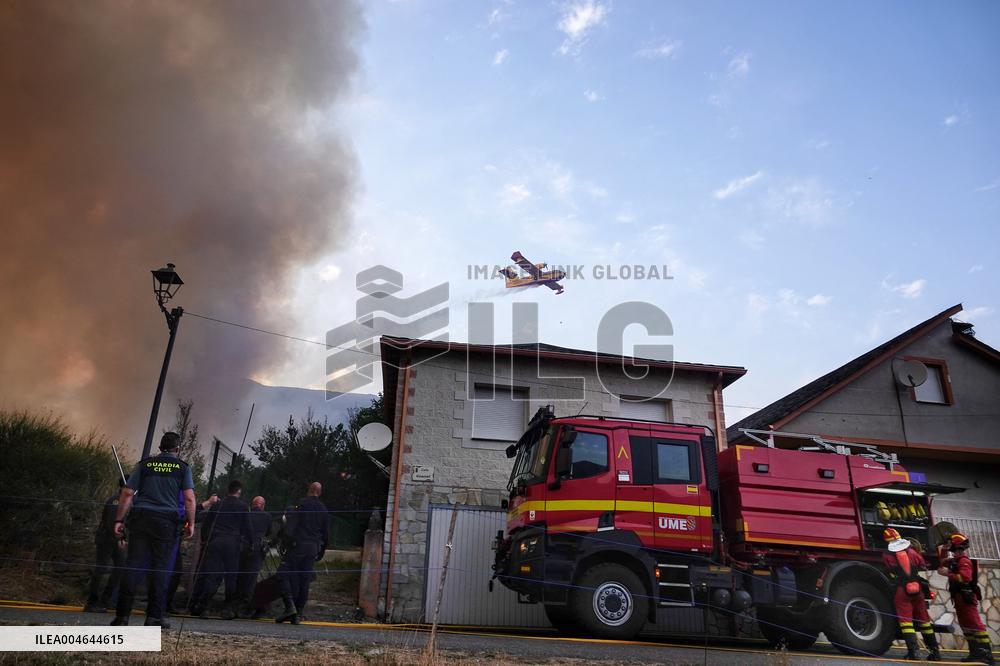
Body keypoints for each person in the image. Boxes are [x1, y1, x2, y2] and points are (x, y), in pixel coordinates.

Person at [110, 432, 196, 628]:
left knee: (133, 565)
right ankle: (154, 617)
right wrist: (190, 523)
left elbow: (128, 493)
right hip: (166, 523)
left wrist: (119, 520)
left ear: (159, 448)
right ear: (177, 449)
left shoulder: (145, 464)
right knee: (159, 569)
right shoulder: (183, 468)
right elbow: (190, 498)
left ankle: (122, 617)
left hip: (141, 520)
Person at [189, 481, 251, 619]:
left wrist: (206, 540)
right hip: (232, 543)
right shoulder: (243, 507)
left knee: (211, 575)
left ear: (228, 490)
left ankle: (204, 607)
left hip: (216, 541)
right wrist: (249, 544)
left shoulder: (218, 505)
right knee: (231, 577)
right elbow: (247, 528)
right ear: (239, 492)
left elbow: (207, 524)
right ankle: (228, 609)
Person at [881, 528, 940, 661]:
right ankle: (935, 653)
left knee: (906, 623)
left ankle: (914, 653)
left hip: (902, 591)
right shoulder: (912, 552)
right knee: (924, 621)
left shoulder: (887, 555)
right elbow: (923, 565)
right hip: (918, 589)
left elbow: (889, 570)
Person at [275, 482, 329, 624]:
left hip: (299, 545)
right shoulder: (323, 509)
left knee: (282, 573)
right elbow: (326, 533)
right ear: (320, 492)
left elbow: (291, 525)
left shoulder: (302, 504)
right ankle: (298, 614)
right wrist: (321, 550)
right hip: (313, 548)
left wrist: (286, 542)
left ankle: (289, 607)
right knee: (304, 579)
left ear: (309, 490)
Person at [939, 533, 994, 665]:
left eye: (953, 549)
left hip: (966, 597)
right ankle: (975, 653)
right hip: (959, 598)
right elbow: (941, 562)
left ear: (958, 549)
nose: (953, 552)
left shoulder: (964, 561)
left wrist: (949, 574)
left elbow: (965, 578)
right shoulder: (955, 561)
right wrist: (944, 549)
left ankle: (987, 655)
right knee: (966, 627)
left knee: (975, 625)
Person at [165, 493, 219, 615]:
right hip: (168, 539)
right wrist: (209, 503)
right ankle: (161, 605)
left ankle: (165, 604)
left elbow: (192, 514)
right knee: (170, 572)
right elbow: (189, 512)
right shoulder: (176, 498)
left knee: (175, 572)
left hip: (174, 538)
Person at [83, 478, 127, 613]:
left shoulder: (127, 501)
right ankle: (92, 602)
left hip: (116, 539)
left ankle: (105, 600)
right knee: (101, 568)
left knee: (121, 568)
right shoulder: (117, 500)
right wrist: (121, 537)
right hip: (107, 539)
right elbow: (111, 523)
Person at [238, 495, 273, 614]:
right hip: (258, 548)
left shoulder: (246, 514)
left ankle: (235, 600)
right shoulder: (267, 516)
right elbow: (269, 532)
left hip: (244, 546)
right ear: (263, 506)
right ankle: (246, 603)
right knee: (252, 577)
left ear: (252, 504)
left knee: (240, 574)